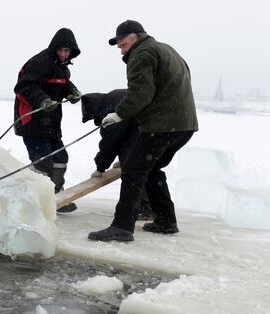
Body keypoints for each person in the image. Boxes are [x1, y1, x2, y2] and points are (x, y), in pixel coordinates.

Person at [88, 20, 198, 242]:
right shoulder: (166, 49)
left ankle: (122, 227)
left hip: (162, 125)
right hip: (184, 125)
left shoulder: (142, 53)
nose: (121, 49)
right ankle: (166, 221)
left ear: (136, 37)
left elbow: (141, 92)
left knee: (133, 170)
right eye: (118, 46)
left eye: (123, 43)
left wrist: (119, 114)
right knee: (152, 168)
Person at [13, 28, 82, 212]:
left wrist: (73, 92)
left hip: (51, 123)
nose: (63, 54)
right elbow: (23, 86)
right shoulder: (39, 62)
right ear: (54, 48)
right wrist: (42, 99)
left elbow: (63, 85)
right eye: (60, 50)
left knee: (60, 158)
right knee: (43, 162)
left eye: (67, 51)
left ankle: (55, 197)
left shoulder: (63, 69)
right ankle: (34, 201)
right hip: (32, 121)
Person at [81, 89, 153, 220]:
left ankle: (144, 207)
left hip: (141, 127)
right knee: (142, 167)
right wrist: (123, 160)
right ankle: (150, 206)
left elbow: (111, 141)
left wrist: (100, 167)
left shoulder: (109, 108)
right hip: (149, 126)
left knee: (133, 171)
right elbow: (124, 135)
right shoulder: (113, 97)